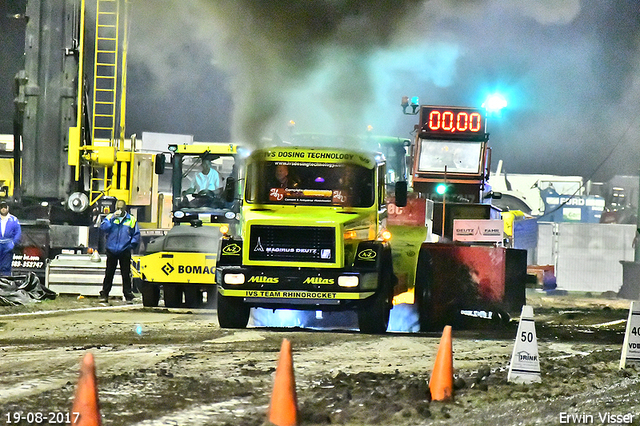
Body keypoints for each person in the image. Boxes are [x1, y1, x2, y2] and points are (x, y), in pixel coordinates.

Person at [99, 200, 140, 303]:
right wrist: (112, 218)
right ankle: (105, 293)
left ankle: (128, 294)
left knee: (126, 273)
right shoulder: (110, 218)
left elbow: (136, 234)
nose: (119, 210)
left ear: (125, 208)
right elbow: (103, 228)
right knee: (109, 273)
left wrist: (131, 245)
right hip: (112, 249)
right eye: (118, 208)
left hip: (124, 249)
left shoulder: (131, 219)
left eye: (121, 208)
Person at [0, 201, 21, 276]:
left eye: (5, 207)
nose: (3, 209)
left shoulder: (14, 220)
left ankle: (5, 283)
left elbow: (18, 232)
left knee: (6, 267)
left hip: (8, 245)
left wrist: (13, 243)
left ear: (8, 208)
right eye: (1, 207)